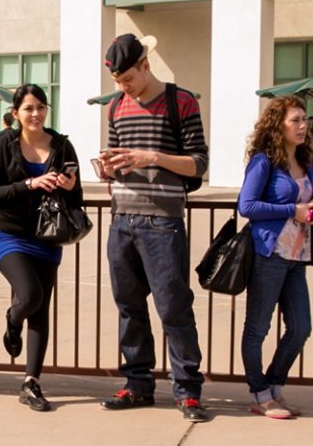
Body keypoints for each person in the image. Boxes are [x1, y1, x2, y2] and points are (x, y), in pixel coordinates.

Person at [95, 34, 210, 422]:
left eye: (127, 78)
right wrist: (108, 167)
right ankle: (137, 383)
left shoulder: (182, 101)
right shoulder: (116, 106)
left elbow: (198, 163)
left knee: (173, 307)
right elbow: (117, 160)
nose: (123, 87)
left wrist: (153, 157)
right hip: (121, 219)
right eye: (117, 81)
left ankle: (188, 390)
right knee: (128, 306)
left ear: (145, 65)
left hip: (163, 220)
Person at [236, 96, 313, 419]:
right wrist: (293, 209)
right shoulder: (264, 161)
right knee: (257, 329)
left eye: (304, 119)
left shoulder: (306, 160)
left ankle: (275, 386)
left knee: (300, 327)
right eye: (295, 120)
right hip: (269, 254)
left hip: (297, 257)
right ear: (278, 125)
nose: (303, 126)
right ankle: (260, 394)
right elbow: (247, 205)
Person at [0, 84, 80, 412]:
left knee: (40, 310)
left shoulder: (62, 145)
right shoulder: (4, 143)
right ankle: (13, 320)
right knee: (30, 296)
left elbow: (76, 198)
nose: (35, 113)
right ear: (16, 113)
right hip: (9, 235)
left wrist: (69, 186)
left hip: (47, 236)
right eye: (28, 108)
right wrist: (30, 184)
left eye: (41, 107)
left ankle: (31, 382)